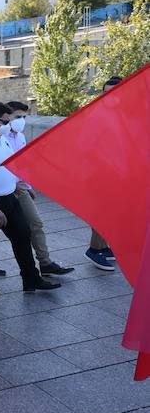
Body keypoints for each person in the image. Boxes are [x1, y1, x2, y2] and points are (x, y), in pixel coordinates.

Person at [0, 103, 62, 297]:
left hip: (9, 196)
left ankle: (31, 278)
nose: (9, 125)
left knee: (22, 234)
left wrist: (16, 184)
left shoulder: (1, 137)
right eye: (5, 121)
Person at [5, 101, 72, 276]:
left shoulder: (19, 136)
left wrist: (27, 186)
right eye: (18, 117)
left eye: (24, 117)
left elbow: (21, 164)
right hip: (2, 190)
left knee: (35, 223)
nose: (21, 121)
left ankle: (45, 262)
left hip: (20, 190)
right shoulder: (0, 137)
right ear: (7, 117)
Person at [84, 77, 123, 271]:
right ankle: (94, 250)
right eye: (106, 93)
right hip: (99, 174)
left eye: (114, 93)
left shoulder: (124, 115)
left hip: (118, 174)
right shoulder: (96, 115)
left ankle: (103, 247)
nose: (109, 97)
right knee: (101, 214)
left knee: (112, 214)